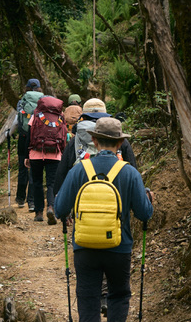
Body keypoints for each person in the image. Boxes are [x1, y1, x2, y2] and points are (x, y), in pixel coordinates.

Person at [53, 117, 153, 322]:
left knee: (87, 305)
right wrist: (148, 198)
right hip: (119, 248)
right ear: (120, 143)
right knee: (119, 294)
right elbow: (144, 214)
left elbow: (60, 209)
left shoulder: (79, 169)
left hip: (85, 248)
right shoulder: (129, 172)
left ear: (95, 141)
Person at [54, 99, 139, 192]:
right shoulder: (119, 140)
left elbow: (61, 175)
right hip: (116, 200)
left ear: (84, 118)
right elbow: (133, 169)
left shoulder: (75, 141)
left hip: (82, 201)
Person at [25, 94, 65, 224]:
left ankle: (38, 212)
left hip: (36, 153)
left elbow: (29, 134)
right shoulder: (60, 116)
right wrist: (62, 152)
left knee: (37, 182)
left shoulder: (36, 114)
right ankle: (51, 207)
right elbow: (64, 135)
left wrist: (27, 155)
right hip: (55, 153)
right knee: (52, 183)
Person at [14, 79, 43, 210]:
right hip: (38, 138)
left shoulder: (22, 101)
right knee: (35, 169)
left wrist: (9, 134)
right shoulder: (44, 101)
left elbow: (17, 120)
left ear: (26, 88)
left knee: (22, 168)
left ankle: (20, 199)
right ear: (39, 88)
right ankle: (31, 202)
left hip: (24, 137)